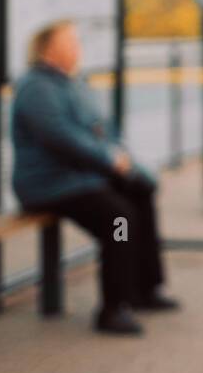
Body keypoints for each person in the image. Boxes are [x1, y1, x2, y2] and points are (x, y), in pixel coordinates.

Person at [11, 19, 179, 336]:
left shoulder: (72, 82)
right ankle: (112, 309)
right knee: (119, 216)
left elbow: (102, 128)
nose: (77, 47)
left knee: (140, 192)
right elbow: (61, 138)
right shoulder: (37, 87)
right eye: (70, 42)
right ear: (49, 48)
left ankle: (145, 289)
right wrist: (108, 160)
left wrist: (123, 162)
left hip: (80, 175)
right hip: (49, 184)